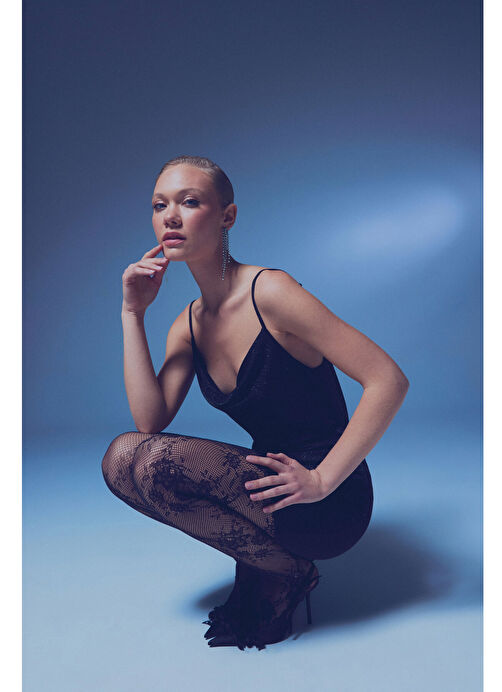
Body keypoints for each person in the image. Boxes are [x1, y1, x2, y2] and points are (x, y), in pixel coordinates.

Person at [101, 155, 409, 650]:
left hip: (328, 497)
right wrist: (131, 313)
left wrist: (321, 480)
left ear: (228, 216)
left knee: (154, 461)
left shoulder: (272, 292)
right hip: (267, 489)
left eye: (189, 202)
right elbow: (149, 420)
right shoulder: (188, 323)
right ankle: (285, 567)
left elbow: (387, 379)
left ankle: (288, 567)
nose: (171, 216)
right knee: (122, 459)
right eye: (160, 205)